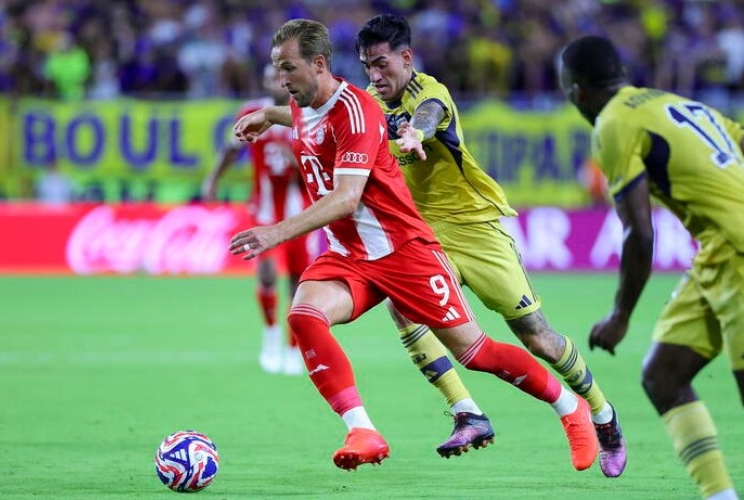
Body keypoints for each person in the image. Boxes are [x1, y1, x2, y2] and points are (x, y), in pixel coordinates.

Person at [230, 18, 598, 472]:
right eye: (276, 68)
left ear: (319, 64)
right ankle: (363, 431)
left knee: (476, 353)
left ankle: (570, 407)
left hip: (404, 251)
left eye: (288, 68)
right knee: (305, 316)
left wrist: (274, 232)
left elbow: (346, 199)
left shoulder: (358, 111)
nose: (280, 78)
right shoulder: (304, 104)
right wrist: (270, 116)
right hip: (350, 256)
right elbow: (307, 118)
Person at [354, 14, 627, 477]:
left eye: (382, 63)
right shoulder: (368, 103)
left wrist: (416, 133)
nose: (375, 75)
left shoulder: (430, 92)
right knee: (402, 307)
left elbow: (428, 116)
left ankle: (603, 415)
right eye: (367, 66)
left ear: (406, 57)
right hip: (423, 232)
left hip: (475, 228)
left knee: (537, 336)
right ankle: (467, 411)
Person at [559, 35, 743, 500]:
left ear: (578, 91)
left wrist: (621, 315)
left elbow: (639, 233)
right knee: (663, 375)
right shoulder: (678, 104)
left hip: (736, 251)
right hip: (716, 252)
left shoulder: (613, 123)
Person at [202, 65, 314, 376]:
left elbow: (323, 163)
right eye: (270, 79)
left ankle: (293, 347)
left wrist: (299, 162)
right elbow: (231, 149)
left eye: (280, 77)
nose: (276, 83)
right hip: (263, 211)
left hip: (300, 213)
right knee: (266, 274)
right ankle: (271, 335)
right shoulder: (252, 112)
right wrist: (213, 179)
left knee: (297, 281)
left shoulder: (307, 114)